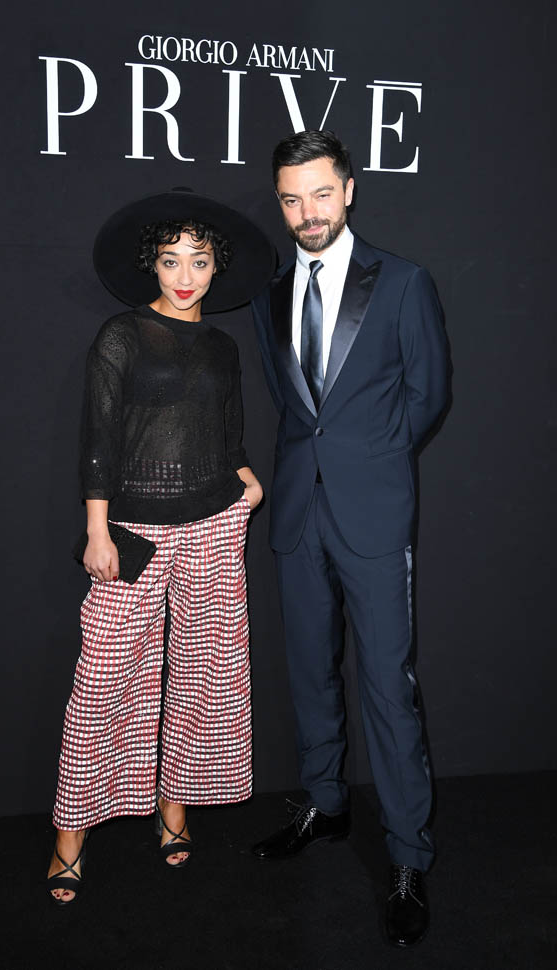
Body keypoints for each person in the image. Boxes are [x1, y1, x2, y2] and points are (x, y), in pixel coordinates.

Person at [46, 189, 274, 904]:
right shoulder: (121, 334)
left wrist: (246, 483)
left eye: (199, 261)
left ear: (217, 268)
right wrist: (96, 529)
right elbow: (99, 438)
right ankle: (70, 832)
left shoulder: (222, 345)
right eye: (171, 260)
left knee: (209, 672)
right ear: (152, 264)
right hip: (134, 530)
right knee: (107, 678)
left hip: (213, 523)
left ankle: (175, 806)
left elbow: (230, 431)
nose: (184, 275)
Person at [250, 130, 449, 947]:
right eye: (291, 198)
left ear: (350, 190)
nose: (307, 212)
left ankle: (407, 855)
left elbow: (428, 394)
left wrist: (370, 460)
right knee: (309, 672)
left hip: (371, 513)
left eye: (321, 194)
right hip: (297, 513)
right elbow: (292, 404)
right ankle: (326, 804)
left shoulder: (401, 282)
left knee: (387, 690)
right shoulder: (269, 292)